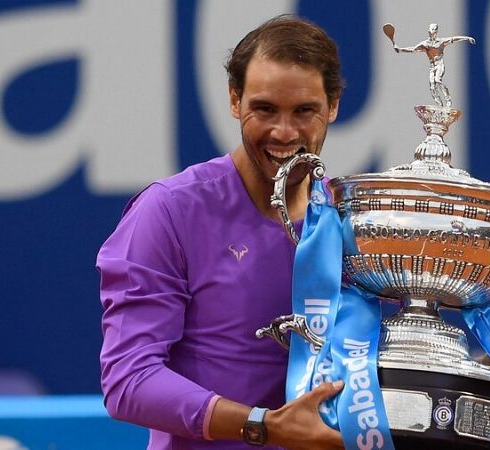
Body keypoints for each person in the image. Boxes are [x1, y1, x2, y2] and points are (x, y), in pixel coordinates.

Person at [97, 15, 345, 450]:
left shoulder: (353, 220)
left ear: (333, 106)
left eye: (304, 111)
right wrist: (263, 425)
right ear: (235, 99)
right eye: (264, 109)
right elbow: (128, 381)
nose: (284, 133)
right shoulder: (168, 211)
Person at [394, 23, 475, 107]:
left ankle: (448, 99)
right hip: (432, 67)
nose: (431, 31)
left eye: (433, 29)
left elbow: (453, 39)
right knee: (432, 86)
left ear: (436, 31)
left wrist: (467, 38)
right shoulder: (425, 44)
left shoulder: (441, 42)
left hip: (439, 64)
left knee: (437, 80)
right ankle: (439, 104)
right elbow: (413, 49)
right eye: (430, 29)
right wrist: (400, 49)